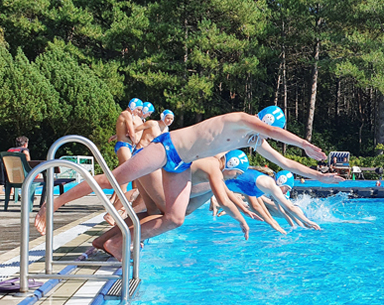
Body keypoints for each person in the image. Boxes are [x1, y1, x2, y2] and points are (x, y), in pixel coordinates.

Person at [36, 106, 343, 260]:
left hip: (181, 166)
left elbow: (285, 163)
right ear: (264, 123)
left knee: (174, 218)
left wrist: (320, 176)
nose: (264, 137)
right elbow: (279, 138)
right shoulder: (241, 120)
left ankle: (119, 242)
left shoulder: (254, 139)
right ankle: (56, 201)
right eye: (266, 131)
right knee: (115, 179)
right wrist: (304, 142)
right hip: (166, 148)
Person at [93, 150, 262, 252]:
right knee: (173, 219)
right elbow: (224, 202)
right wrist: (242, 222)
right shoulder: (214, 168)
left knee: (155, 213)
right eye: (237, 173)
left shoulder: (212, 171)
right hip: (153, 168)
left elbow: (191, 207)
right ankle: (117, 243)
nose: (236, 177)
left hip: (148, 166)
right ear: (231, 164)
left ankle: (103, 241)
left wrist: (243, 210)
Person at [225, 168, 320, 233]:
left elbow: (256, 206)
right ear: (281, 181)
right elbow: (288, 209)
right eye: (286, 189)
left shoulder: (260, 186)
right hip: (217, 182)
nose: (285, 192)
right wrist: (272, 223)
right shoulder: (269, 185)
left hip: (219, 183)